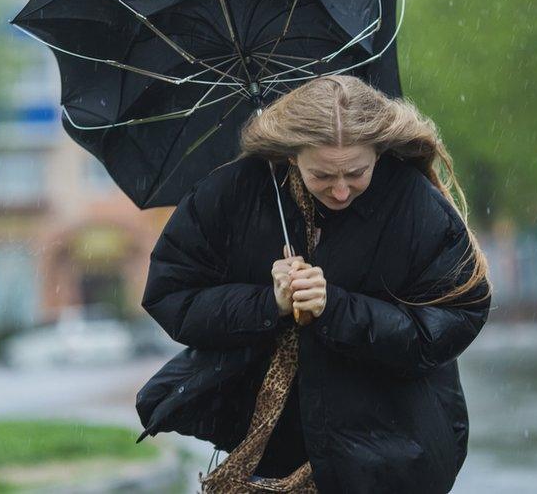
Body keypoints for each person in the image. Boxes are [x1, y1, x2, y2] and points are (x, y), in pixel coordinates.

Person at [136, 74, 493, 493]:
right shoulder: (234, 194)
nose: (341, 191)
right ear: (291, 155)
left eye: (356, 172)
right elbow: (172, 295)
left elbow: (450, 321)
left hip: (389, 459)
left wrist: (337, 309)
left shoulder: (414, 205)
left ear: (378, 151)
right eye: (322, 175)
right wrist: (269, 303)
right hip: (269, 456)